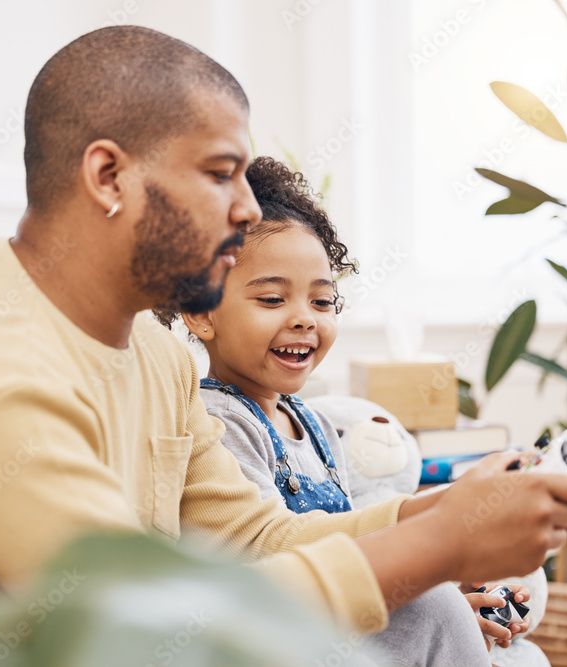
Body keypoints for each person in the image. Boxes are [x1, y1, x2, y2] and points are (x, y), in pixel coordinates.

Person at [0, 25, 567, 638]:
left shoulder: (153, 349)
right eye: (220, 172)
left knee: (428, 607)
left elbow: (249, 537)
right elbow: (145, 631)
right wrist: (442, 545)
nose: (251, 208)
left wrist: (431, 514)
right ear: (108, 178)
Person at [176, 156, 529, 664]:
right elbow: (267, 564)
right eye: (273, 299)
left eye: (322, 302)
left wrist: (440, 574)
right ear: (202, 312)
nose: (304, 319)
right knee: (436, 610)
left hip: (340, 618)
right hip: (277, 635)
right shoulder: (218, 420)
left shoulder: (315, 423)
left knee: (472, 608)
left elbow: (361, 548)